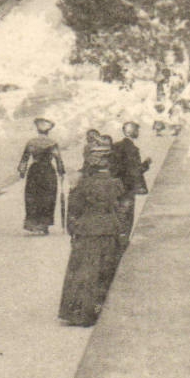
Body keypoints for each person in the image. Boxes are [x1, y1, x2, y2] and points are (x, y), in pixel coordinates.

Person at [58, 138, 130, 327]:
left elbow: (74, 210)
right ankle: (100, 310)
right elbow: (123, 210)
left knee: (83, 271)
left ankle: (80, 311)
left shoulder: (83, 184)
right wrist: (121, 230)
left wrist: (73, 230)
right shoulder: (116, 184)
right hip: (109, 230)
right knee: (105, 271)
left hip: (88, 230)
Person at [17, 117, 66, 235]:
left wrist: (22, 172)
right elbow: (58, 159)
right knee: (48, 197)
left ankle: (33, 223)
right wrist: (61, 172)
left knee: (33, 196)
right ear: (48, 131)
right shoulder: (52, 143)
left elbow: (24, 159)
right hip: (48, 171)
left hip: (34, 170)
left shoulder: (31, 142)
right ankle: (44, 224)